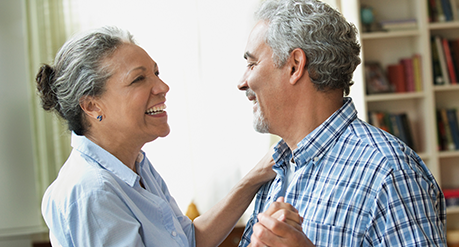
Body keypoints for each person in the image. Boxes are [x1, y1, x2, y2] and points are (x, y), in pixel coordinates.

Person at [37, 26, 278, 247]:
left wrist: (257, 175)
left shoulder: (137, 166)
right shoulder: (92, 191)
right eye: (138, 79)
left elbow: (190, 240)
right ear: (92, 106)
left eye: (156, 73)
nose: (162, 87)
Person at [237, 0, 447, 246]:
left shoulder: (389, 171)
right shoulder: (278, 169)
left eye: (252, 64)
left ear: (295, 66)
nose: (242, 82)